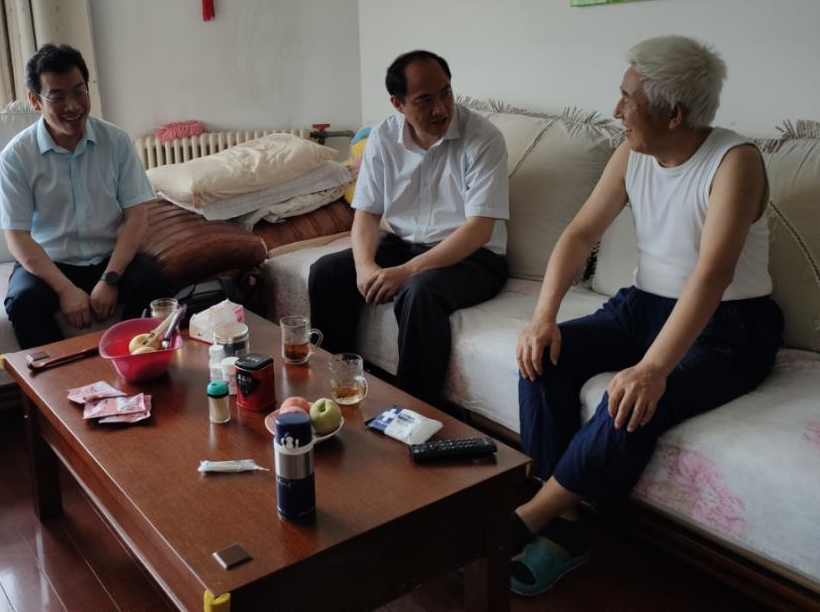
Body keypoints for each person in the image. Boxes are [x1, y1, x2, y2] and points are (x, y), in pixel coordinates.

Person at [510, 36, 783, 596]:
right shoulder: (631, 153)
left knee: (633, 400)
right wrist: (543, 318)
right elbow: (579, 233)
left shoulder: (736, 162)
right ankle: (565, 524)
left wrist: (653, 368)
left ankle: (527, 518)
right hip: (642, 305)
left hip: (728, 326)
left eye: (627, 98)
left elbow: (712, 275)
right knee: (542, 356)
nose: (616, 109)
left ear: (673, 113)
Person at [308, 50, 510, 406]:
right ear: (398, 103)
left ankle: (413, 412)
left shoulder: (484, 138)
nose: (441, 109)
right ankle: (335, 389)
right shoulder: (383, 138)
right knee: (328, 271)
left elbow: (479, 229)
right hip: (404, 245)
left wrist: (406, 272)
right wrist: (365, 267)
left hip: (473, 257)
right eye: (425, 100)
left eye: (446, 93)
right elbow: (367, 215)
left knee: (419, 292)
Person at [0, 44, 174, 349]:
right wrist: (65, 290)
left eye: (79, 92)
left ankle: (130, 364)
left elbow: (136, 218)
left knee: (155, 285)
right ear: (35, 100)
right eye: (58, 97)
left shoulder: (116, 142)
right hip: (51, 264)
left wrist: (110, 279)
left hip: (110, 258)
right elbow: (17, 238)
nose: (73, 106)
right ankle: (57, 378)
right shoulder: (16, 156)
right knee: (24, 302)